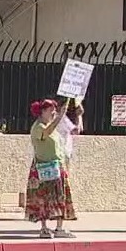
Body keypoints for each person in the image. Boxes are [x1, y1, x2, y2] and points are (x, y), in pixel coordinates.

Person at [25, 98, 77, 238]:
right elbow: (47, 132)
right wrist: (60, 117)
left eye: (55, 110)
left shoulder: (51, 126)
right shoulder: (38, 127)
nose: (54, 112)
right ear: (42, 112)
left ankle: (59, 228)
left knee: (60, 196)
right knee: (43, 198)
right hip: (43, 168)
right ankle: (44, 228)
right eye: (50, 110)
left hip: (56, 166)